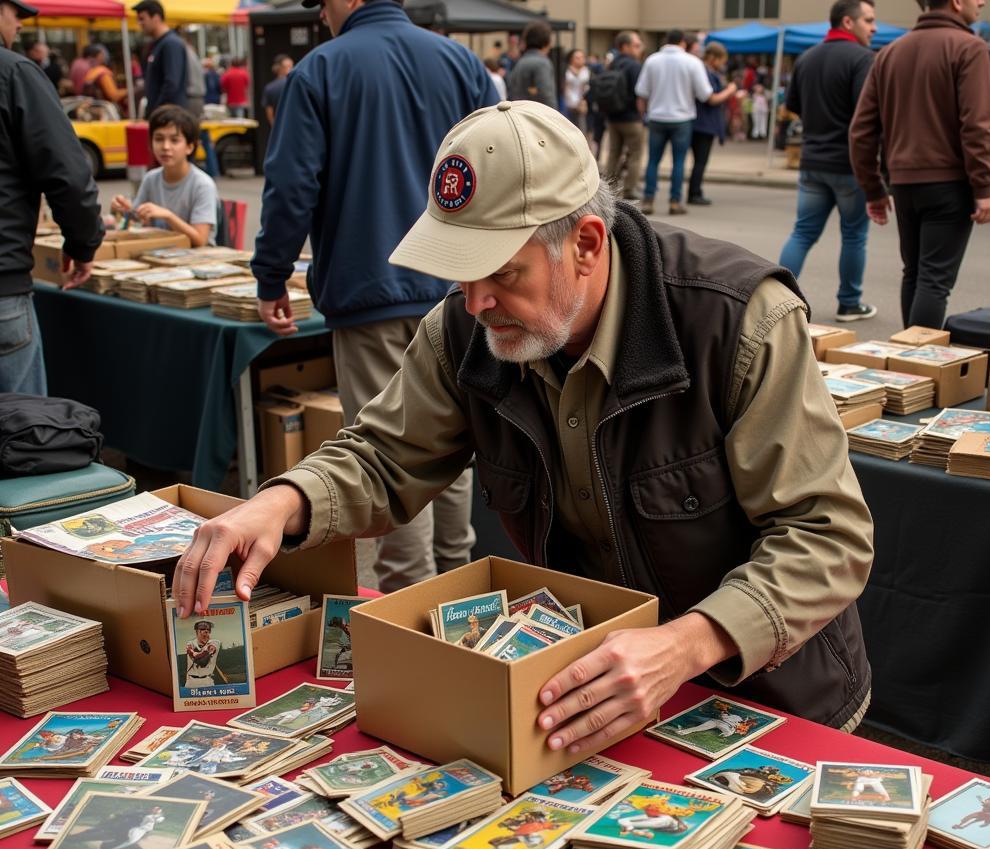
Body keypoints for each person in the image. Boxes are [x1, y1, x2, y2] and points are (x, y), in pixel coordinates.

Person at [173, 101, 875, 753]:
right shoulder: (465, 328)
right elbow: (386, 454)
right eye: (460, 273)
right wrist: (283, 501)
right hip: (584, 698)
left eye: (503, 273)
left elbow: (827, 534)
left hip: (767, 698)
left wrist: (688, 645)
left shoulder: (739, 320)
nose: (476, 302)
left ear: (588, 244)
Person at [248, 0, 496, 595]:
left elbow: (291, 186)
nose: (321, 15)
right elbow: (499, 167)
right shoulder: (460, 61)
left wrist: (271, 275)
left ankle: (409, 602)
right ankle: (460, 589)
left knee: (386, 453)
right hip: (460, 287)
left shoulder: (321, 70)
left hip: (371, 292)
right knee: (454, 438)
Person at [850, 0, 990, 330]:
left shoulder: (889, 52)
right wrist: (984, 186)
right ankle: (919, 367)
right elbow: (977, 125)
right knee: (933, 280)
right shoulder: (970, 48)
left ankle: (910, 362)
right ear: (957, 2)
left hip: (904, 182)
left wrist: (874, 189)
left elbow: (861, 131)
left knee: (915, 273)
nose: (983, 2)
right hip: (949, 182)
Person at [0, 0, 102, 396]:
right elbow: (69, 177)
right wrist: (83, 245)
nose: (20, 25)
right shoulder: (14, 72)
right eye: (15, 12)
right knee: (21, 440)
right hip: (4, 289)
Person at [779, 0, 878, 324]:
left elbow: (793, 104)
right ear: (848, 22)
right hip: (849, 164)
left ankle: (776, 299)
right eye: (869, 20)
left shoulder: (807, 57)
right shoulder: (863, 59)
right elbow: (869, 114)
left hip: (812, 159)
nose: (873, 27)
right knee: (854, 235)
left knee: (802, 232)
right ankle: (849, 303)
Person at [635, 28, 736, 216]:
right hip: (682, 118)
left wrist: (645, 116)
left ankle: (649, 199)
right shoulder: (692, 62)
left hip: (657, 117)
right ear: (683, 42)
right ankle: (675, 201)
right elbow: (706, 95)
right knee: (679, 161)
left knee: (653, 161)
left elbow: (642, 94)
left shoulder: (652, 60)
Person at [110, 105, 218, 248]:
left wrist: (168, 216)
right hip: (161, 252)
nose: (166, 147)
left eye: (174, 140)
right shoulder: (151, 178)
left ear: (190, 147)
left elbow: (200, 240)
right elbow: (137, 221)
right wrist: (124, 209)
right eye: (159, 139)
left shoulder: (202, 184)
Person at [688, 43, 743, 207]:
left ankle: (695, 191)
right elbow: (711, 98)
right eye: (721, 60)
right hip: (703, 123)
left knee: (699, 160)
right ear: (713, 58)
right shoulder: (704, 72)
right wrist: (730, 91)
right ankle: (694, 192)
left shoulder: (708, 72)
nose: (722, 64)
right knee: (700, 160)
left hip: (701, 122)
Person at [601, 30, 645, 200]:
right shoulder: (634, 65)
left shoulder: (611, 64)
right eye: (636, 45)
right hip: (631, 117)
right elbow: (639, 91)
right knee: (635, 153)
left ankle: (608, 189)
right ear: (625, 46)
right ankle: (630, 188)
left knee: (613, 152)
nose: (639, 48)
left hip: (613, 116)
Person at [134, 0, 188, 112]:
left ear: (156, 17)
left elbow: (172, 83)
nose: (140, 24)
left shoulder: (171, 43)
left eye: (142, 19)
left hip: (168, 116)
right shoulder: (158, 44)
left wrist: (157, 109)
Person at [506, 20, 556, 109]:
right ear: (546, 41)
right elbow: (546, 96)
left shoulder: (520, 62)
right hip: (536, 115)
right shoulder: (542, 63)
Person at [183, 619, 221, 683]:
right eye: (202, 629)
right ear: (196, 631)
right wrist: (205, 653)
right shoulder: (190, 643)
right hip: (191, 681)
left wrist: (199, 654)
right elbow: (199, 660)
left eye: (208, 629)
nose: (206, 631)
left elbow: (203, 662)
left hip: (207, 680)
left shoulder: (215, 642)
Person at [260, 53, 293, 128]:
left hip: (279, 127)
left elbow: (269, 113)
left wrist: (274, 128)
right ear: (279, 68)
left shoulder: (269, 87)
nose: (291, 69)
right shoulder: (297, 85)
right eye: (288, 67)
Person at [563, 48, 589, 133]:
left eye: (582, 57)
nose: (580, 60)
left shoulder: (586, 71)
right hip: (567, 104)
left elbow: (588, 88)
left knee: (582, 129)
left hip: (582, 104)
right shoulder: (565, 71)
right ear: (571, 59)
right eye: (577, 57)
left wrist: (583, 100)